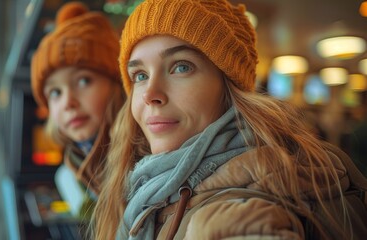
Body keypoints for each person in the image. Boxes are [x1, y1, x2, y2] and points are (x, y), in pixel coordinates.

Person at [92, 0, 367, 239]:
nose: (150, 94)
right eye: (140, 75)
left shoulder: (234, 216)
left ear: (228, 87)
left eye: (181, 67)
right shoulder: (150, 188)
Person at [30, 1, 124, 220]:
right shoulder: (74, 166)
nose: (67, 102)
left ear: (117, 83)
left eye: (83, 80)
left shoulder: (145, 155)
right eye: (55, 92)